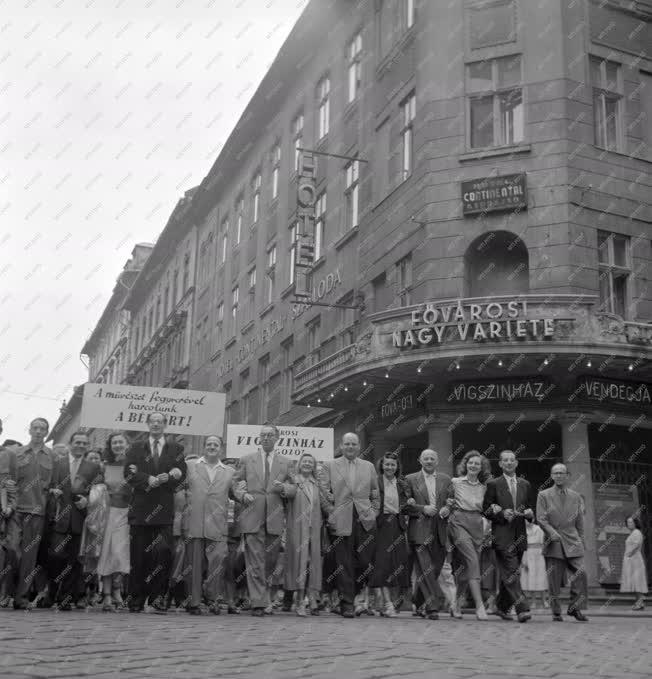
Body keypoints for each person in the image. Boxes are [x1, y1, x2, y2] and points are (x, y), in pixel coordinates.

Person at [124, 412, 187, 613]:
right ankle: (135, 599)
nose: (156, 425)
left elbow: (181, 473)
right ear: (148, 424)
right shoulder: (135, 447)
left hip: (163, 510)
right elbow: (129, 473)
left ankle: (157, 598)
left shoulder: (176, 448)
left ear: (165, 425)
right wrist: (147, 479)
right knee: (138, 556)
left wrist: (172, 475)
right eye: (153, 422)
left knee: (162, 554)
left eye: (160, 422)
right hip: (141, 510)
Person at [233, 423, 295, 616]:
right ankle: (258, 603)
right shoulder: (246, 460)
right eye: (263, 435)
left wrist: (283, 488)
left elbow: (294, 489)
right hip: (252, 515)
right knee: (255, 560)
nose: (266, 438)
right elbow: (235, 483)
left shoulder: (286, 462)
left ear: (277, 438)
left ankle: (264, 595)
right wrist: (242, 495)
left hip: (275, 518)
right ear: (259, 438)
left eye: (270, 435)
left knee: (270, 560)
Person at [319, 432, 379, 618]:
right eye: (347, 444)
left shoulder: (368, 466)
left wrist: (374, 511)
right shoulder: (330, 465)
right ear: (341, 446)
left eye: (353, 444)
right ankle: (347, 604)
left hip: (364, 518)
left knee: (364, 561)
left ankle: (356, 595)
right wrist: (331, 513)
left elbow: (375, 492)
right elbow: (322, 492)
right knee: (343, 562)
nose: (350, 447)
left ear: (359, 446)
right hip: (341, 517)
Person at [3, 418, 54, 609]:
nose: (39, 431)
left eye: (42, 429)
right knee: (12, 551)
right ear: (30, 430)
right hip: (16, 511)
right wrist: (8, 506)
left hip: (38, 512)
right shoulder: (15, 454)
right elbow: (8, 482)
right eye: (36, 428)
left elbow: (54, 484)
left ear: (46, 433)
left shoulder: (51, 456)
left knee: (29, 557)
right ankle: (6, 593)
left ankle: (21, 598)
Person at [183, 435, 237, 615]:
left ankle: (213, 598)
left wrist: (244, 495)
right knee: (195, 565)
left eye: (216, 444)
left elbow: (236, 492)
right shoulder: (191, 466)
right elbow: (179, 488)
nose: (212, 447)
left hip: (218, 522)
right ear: (204, 447)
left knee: (218, 561)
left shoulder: (229, 471)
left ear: (220, 448)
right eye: (209, 444)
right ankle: (194, 602)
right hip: (195, 521)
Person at [483, 449, 534, 623]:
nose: (509, 463)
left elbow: (529, 508)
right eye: (505, 460)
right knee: (512, 572)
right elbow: (486, 509)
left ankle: (501, 607)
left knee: (510, 574)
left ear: (517, 463)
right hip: (502, 535)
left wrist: (529, 514)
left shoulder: (525, 484)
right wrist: (501, 514)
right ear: (500, 464)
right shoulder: (493, 484)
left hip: (520, 535)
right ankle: (523, 609)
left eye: (512, 460)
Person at [49, 431, 98, 610]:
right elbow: (49, 484)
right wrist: (53, 491)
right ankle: (52, 591)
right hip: (59, 517)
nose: (81, 446)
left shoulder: (92, 467)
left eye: (85, 443)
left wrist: (88, 500)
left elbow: (98, 491)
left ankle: (66, 597)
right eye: (77, 442)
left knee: (74, 560)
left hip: (79, 517)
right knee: (55, 555)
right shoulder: (57, 463)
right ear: (70, 443)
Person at [536, 463, 589, 622]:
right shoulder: (543, 495)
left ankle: (575, 608)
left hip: (573, 540)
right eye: (555, 473)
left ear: (567, 476)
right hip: (554, 541)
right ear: (551, 476)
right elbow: (541, 518)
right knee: (554, 580)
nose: (558, 475)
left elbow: (579, 521)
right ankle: (556, 611)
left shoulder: (576, 496)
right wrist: (551, 533)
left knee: (582, 573)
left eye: (562, 473)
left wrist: (581, 540)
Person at [403, 448, 450, 620]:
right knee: (426, 569)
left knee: (434, 570)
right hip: (419, 531)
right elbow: (404, 505)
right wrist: (423, 509)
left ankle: (417, 600)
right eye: (426, 458)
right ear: (420, 460)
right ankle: (432, 608)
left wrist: (447, 508)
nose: (429, 461)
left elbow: (451, 501)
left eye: (432, 458)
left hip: (440, 531)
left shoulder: (446, 479)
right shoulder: (409, 479)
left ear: (437, 461)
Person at [445, 450, 492, 620]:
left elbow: (487, 508)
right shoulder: (455, 482)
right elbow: (447, 501)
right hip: (458, 522)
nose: (473, 465)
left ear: (481, 467)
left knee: (466, 570)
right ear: (465, 464)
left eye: (477, 463)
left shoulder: (484, 487)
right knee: (473, 561)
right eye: (470, 462)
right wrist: (447, 504)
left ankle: (456, 604)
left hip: (477, 524)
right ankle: (480, 607)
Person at [282, 452, 328, 616]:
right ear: (299, 464)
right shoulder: (293, 481)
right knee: (300, 564)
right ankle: (300, 600)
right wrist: (284, 487)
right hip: (297, 529)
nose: (307, 464)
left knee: (313, 564)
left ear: (314, 466)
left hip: (314, 530)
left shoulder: (317, 484)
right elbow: (286, 493)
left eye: (310, 462)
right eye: (305, 461)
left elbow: (325, 504)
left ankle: (312, 597)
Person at [369, 452, 410, 617]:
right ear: (382, 465)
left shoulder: (402, 483)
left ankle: (389, 603)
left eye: (393, 464)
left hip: (398, 525)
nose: (390, 467)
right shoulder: (376, 481)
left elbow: (406, 504)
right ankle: (387, 604)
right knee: (382, 565)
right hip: (381, 524)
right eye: (387, 464)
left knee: (398, 564)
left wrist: (411, 503)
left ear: (397, 466)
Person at [97, 432, 131, 611]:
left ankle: (118, 589)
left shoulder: (134, 466)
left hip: (128, 514)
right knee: (107, 552)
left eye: (121, 442)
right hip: (109, 513)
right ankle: (107, 594)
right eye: (114, 443)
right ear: (110, 446)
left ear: (127, 444)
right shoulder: (104, 466)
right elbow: (97, 490)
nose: (117, 445)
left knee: (121, 553)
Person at [620, 515, 648, 610]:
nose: (629, 524)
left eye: (631, 522)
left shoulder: (636, 532)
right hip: (632, 560)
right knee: (635, 581)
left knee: (637, 581)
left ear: (635, 523)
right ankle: (639, 602)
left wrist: (629, 555)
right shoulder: (632, 533)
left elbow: (636, 545)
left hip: (635, 560)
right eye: (628, 522)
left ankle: (640, 603)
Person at [520, 521, 548, 609]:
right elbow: (522, 546)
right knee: (530, 578)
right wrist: (523, 560)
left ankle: (544, 600)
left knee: (541, 577)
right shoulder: (522, 531)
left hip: (539, 554)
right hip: (528, 553)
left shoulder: (539, 529)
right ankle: (533, 601)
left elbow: (544, 543)